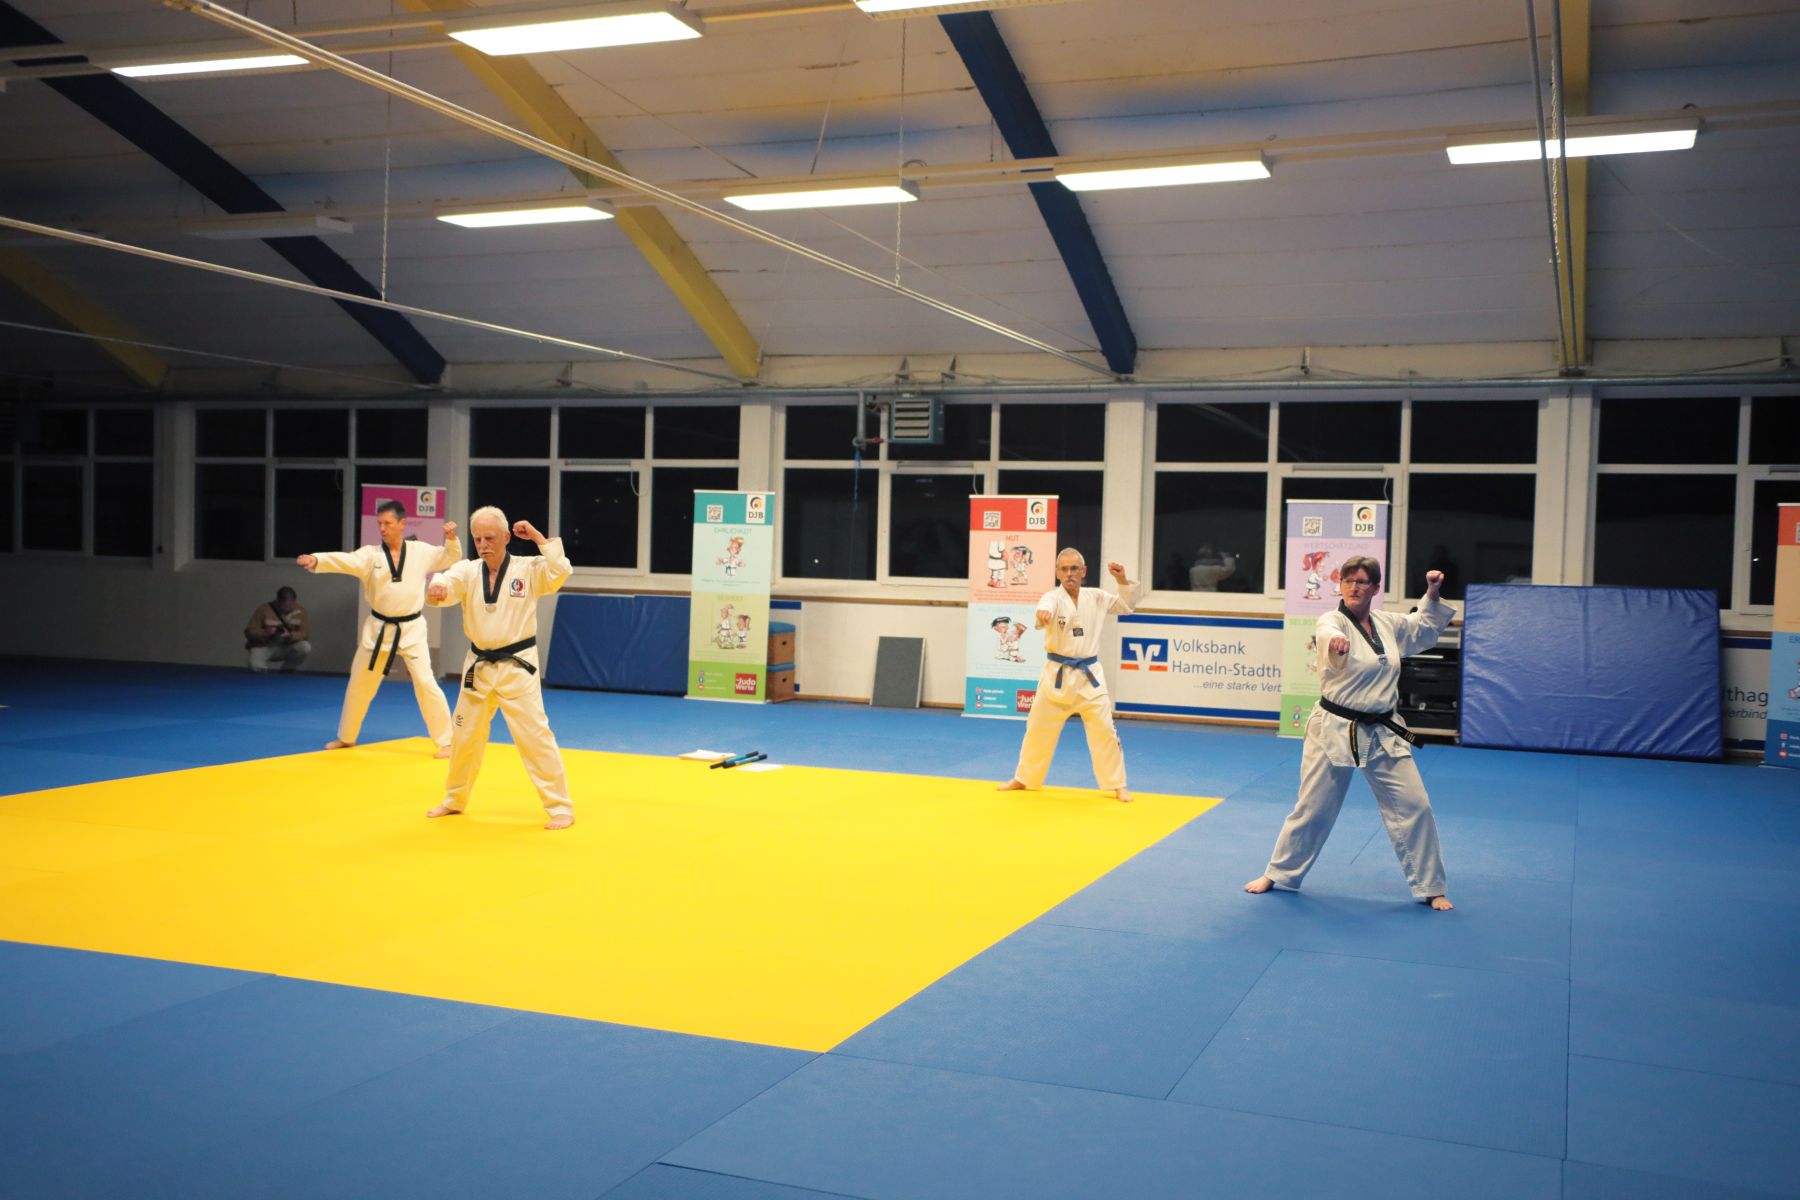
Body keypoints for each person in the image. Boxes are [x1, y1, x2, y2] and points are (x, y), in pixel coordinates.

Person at [1245, 557, 1455, 910]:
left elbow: (1422, 627)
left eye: (1361, 581)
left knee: (1415, 805)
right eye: (1347, 581)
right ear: (1340, 586)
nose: (1354, 587)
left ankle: (1431, 886)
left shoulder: (1387, 623)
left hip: (1383, 729)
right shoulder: (1332, 620)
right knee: (1313, 808)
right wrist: (1336, 644)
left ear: (1375, 588)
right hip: (1334, 727)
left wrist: (1432, 592)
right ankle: (1278, 873)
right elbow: (1327, 633)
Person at [425, 507, 574, 831]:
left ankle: (560, 807)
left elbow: (561, 569)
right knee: (464, 736)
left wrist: (537, 537)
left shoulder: (529, 569)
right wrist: (437, 587)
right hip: (478, 666)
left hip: (518, 667)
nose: (483, 544)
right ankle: (454, 799)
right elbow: (446, 581)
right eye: (478, 539)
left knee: (535, 736)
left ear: (506, 537)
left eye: (490, 538)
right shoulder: (467, 571)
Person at [296, 501, 461, 758]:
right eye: (379, 524)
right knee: (359, 684)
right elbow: (344, 560)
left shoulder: (420, 551)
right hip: (378, 628)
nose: (382, 528)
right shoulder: (370, 555)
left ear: (402, 523)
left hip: (411, 628)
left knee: (426, 683)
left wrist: (451, 539)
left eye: (388, 523)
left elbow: (450, 557)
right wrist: (317, 559)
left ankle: (447, 741)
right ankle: (347, 736)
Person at [998, 549, 1139, 803]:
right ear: (1057, 572)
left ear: (1083, 571)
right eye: (1064, 569)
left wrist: (1121, 580)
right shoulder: (1052, 598)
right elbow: (1045, 608)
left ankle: (1118, 784)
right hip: (1057, 675)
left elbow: (1126, 607)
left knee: (1105, 731)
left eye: (1074, 569)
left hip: (1090, 677)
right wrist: (1043, 615)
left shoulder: (1096, 597)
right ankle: (1024, 778)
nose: (1069, 574)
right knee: (1037, 728)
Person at [245, 586, 311, 673]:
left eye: (290, 604)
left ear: (294, 601)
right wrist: (265, 633)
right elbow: (249, 631)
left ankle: (288, 670)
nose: (287, 607)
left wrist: (291, 635)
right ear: (278, 601)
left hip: (287, 646)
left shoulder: (301, 611)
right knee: (256, 667)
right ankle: (261, 674)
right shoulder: (263, 609)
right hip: (265, 646)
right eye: (284, 604)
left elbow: (305, 633)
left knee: (305, 646)